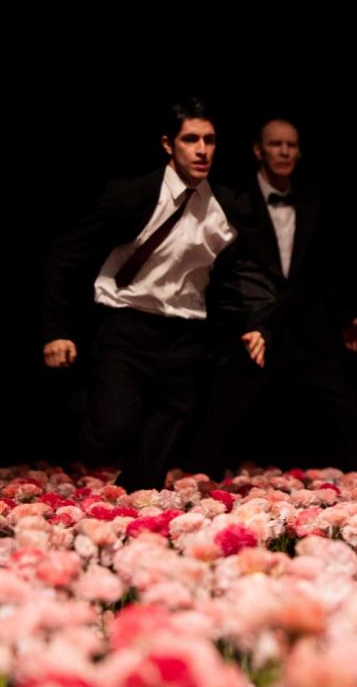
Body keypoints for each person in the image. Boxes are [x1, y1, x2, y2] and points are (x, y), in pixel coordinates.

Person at [41, 97, 270, 491]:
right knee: (109, 433)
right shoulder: (129, 195)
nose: (201, 150)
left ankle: (138, 529)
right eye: (191, 139)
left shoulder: (227, 206)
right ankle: (78, 397)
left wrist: (251, 325)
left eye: (210, 140)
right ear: (168, 144)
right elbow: (66, 254)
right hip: (126, 326)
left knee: (149, 472)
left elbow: (234, 275)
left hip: (185, 338)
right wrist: (57, 329)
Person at [183, 116, 357, 476]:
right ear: (258, 151)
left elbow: (322, 271)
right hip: (252, 330)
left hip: (304, 326)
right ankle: (195, 488)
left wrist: (345, 316)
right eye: (275, 144)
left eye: (291, 145)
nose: (283, 151)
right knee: (222, 414)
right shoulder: (232, 201)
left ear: (299, 153)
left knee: (344, 410)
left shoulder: (314, 201)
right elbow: (220, 271)